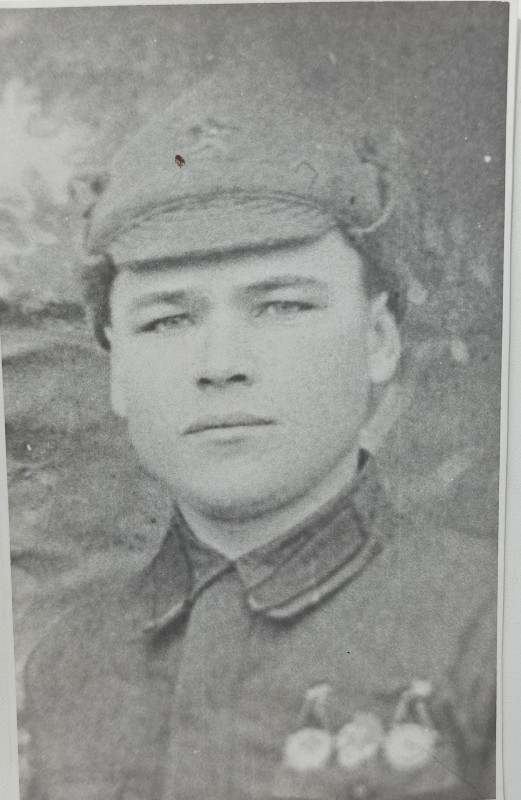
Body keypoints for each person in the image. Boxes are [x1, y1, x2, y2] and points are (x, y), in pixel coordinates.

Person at [24, 61, 497, 800]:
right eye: (168, 319)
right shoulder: (65, 667)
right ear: (116, 367)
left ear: (378, 339)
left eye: (281, 306)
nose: (220, 366)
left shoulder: (490, 627)